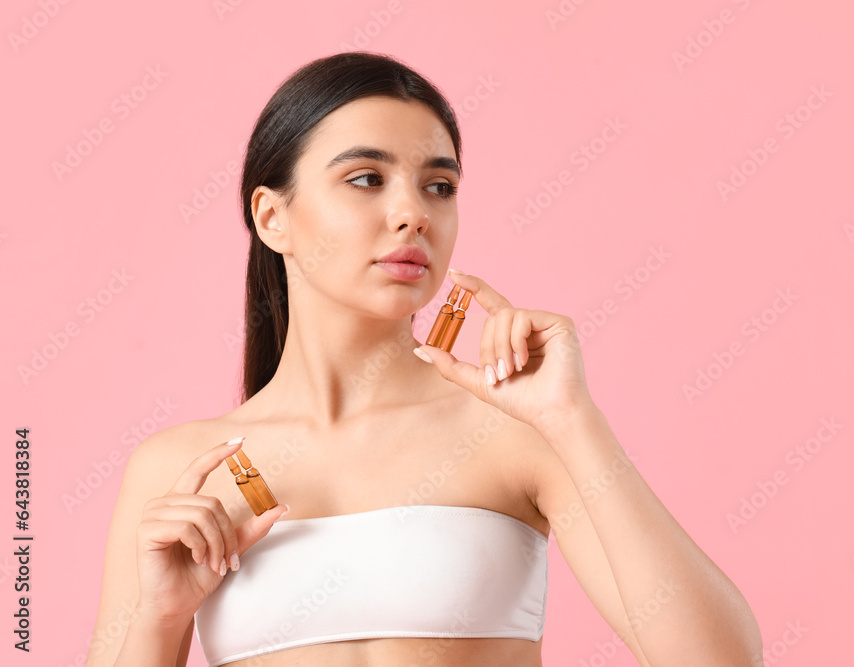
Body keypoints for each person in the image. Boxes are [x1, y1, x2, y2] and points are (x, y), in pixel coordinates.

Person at [86, 51, 763, 667]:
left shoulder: (519, 431)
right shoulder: (179, 471)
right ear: (271, 217)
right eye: (366, 178)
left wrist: (574, 422)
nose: (412, 212)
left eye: (439, 185)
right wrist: (159, 617)